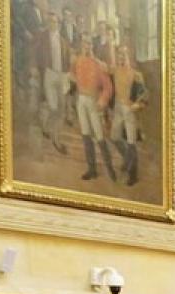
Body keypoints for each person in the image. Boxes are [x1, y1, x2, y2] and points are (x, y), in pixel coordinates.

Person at [69, 35, 116, 181]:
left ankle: (110, 170)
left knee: (100, 137)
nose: (87, 46)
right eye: (84, 44)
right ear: (81, 45)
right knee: (85, 135)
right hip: (81, 101)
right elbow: (71, 74)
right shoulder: (77, 61)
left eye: (89, 44)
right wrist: (73, 79)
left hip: (94, 102)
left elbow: (108, 87)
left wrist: (102, 101)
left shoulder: (99, 64)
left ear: (92, 46)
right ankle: (92, 169)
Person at [33, 10, 69, 156]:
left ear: (59, 24)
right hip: (49, 74)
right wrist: (34, 67)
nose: (52, 24)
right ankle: (52, 135)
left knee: (60, 110)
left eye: (55, 22)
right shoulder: (42, 37)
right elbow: (35, 53)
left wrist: (67, 75)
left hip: (62, 76)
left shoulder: (63, 41)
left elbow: (67, 59)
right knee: (53, 108)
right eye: (50, 22)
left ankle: (54, 136)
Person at [109, 44, 145, 186]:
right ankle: (127, 159)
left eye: (124, 55)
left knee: (131, 142)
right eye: (119, 55)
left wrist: (137, 104)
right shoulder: (114, 71)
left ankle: (133, 175)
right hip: (118, 107)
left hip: (129, 109)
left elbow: (144, 94)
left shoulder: (136, 75)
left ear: (128, 56)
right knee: (115, 137)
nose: (121, 57)